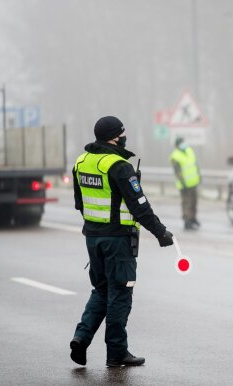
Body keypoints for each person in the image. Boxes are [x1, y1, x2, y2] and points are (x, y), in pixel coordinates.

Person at [70, 115, 174, 367]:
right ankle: (117, 352)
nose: (125, 137)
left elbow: (79, 203)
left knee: (102, 290)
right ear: (115, 136)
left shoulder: (81, 162)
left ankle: (81, 338)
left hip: (93, 238)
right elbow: (140, 206)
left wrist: (97, 225)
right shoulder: (119, 166)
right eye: (123, 133)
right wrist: (161, 232)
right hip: (118, 241)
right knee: (120, 294)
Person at [169, 136, 201, 230]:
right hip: (184, 184)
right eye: (180, 143)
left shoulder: (189, 151)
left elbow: (195, 164)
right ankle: (187, 220)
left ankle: (193, 218)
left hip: (193, 182)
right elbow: (177, 171)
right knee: (187, 202)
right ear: (177, 145)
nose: (183, 144)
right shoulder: (175, 156)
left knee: (194, 201)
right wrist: (182, 182)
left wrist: (199, 175)